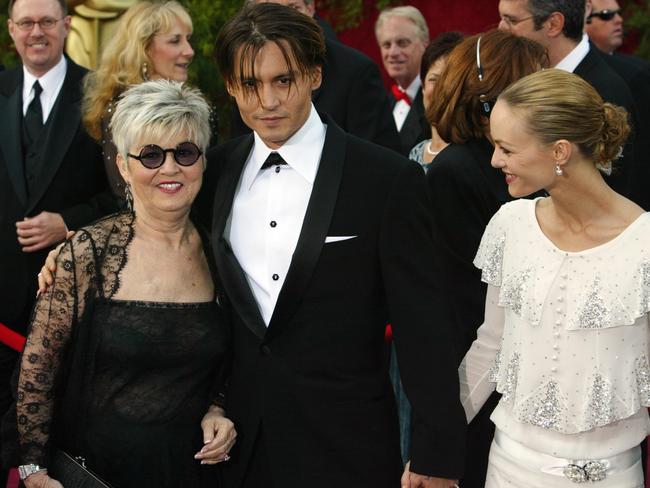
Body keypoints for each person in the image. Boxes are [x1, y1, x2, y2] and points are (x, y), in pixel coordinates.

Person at [209, 4, 465, 487]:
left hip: (347, 445)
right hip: (236, 451)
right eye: (249, 84)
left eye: (282, 80)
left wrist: (437, 451)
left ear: (314, 74)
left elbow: (423, 324)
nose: (266, 100)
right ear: (229, 86)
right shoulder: (215, 173)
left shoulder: (387, 179)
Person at [15, 80, 236, 488]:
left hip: (190, 475)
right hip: (95, 474)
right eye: (150, 155)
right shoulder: (87, 254)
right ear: (123, 166)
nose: (169, 168)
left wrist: (219, 410)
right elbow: (38, 368)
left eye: (184, 152)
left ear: (202, 161)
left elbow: (229, 363)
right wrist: (33, 469)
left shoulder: (222, 255)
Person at [460, 68, 648, 487]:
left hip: (612, 475)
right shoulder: (511, 225)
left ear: (560, 151)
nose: (495, 161)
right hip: (508, 469)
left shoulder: (645, 246)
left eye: (506, 148)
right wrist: (435, 444)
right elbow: (491, 345)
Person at [425, 30, 548, 488]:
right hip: (484, 386)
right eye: (536, 84)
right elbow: (469, 305)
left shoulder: (523, 167)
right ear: (493, 97)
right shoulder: (457, 173)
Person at [0, 0, 112, 480]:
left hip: (71, 297)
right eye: (26, 23)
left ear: (67, 26)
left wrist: (67, 222)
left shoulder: (101, 93)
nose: (36, 32)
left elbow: (125, 193)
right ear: (11, 31)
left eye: (47, 21)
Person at [497, 0, 637, 201]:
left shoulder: (607, 90)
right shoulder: (520, 75)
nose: (501, 27)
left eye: (511, 20)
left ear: (553, 24)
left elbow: (612, 187)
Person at [228, 0, 401, 153]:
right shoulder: (241, 68)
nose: (280, 20)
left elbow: (380, 163)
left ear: (311, 9)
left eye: (293, 8)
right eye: (269, 9)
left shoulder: (356, 71)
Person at [82, 0, 195, 204]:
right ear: (143, 49)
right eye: (175, 41)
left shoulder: (199, 111)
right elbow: (121, 195)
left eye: (188, 39)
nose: (189, 51)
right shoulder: (115, 114)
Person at [375, 6, 430, 155]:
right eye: (386, 45)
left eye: (402, 43)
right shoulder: (385, 101)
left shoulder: (435, 100)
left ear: (425, 44)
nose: (392, 53)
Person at [408, 31, 464, 172]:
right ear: (423, 87)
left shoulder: (472, 156)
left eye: (451, 80)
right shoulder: (415, 153)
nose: (442, 89)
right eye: (434, 79)